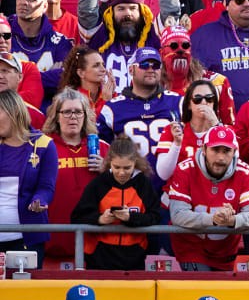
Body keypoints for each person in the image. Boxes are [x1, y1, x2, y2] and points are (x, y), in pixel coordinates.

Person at [166, 124, 249, 271]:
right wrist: (213, 219)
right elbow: (178, 215)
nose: (221, 157)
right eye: (215, 150)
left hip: (226, 251)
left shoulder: (245, 172)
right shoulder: (185, 169)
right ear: (203, 149)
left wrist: (232, 220)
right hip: (192, 249)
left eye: (227, 151)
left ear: (235, 152)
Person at [71, 135, 163, 269]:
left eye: (127, 168)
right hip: (99, 258)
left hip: (134, 258)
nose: (121, 173)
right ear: (109, 162)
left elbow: (155, 217)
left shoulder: (144, 185)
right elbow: (77, 217)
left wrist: (131, 218)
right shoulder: (99, 183)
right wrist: (100, 219)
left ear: (135, 163)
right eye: (116, 167)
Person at [96, 47, 183, 178]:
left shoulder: (177, 101)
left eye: (155, 65)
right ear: (131, 70)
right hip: (130, 186)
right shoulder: (112, 108)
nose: (150, 70)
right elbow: (102, 151)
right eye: (144, 65)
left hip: (171, 185)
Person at [44, 89, 107, 263]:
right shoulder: (43, 146)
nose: (73, 117)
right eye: (67, 112)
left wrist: (107, 171)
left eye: (78, 112)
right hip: (53, 240)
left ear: (85, 116)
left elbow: (124, 187)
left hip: (94, 241)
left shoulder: (102, 147)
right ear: (56, 116)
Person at [0, 88, 56, 264]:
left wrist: (39, 201)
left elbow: (46, 187)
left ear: (14, 112)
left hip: (26, 238)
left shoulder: (44, 144)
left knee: (23, 290)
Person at [9, 0, 73, 94]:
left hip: (46, 111)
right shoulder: (3, 34)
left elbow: (65, 80)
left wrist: (15, 79)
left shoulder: (60, 42)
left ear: (44, 6)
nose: (23, 2)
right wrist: (48, 76)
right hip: (7, 109)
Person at [57, 45, 114, 116]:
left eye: (103, 65)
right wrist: (107, 102)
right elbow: (89, 125)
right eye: (96, 65)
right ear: (81, 73)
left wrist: (112, 98)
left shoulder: (111, 95)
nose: (103, 70)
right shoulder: (70, 100)